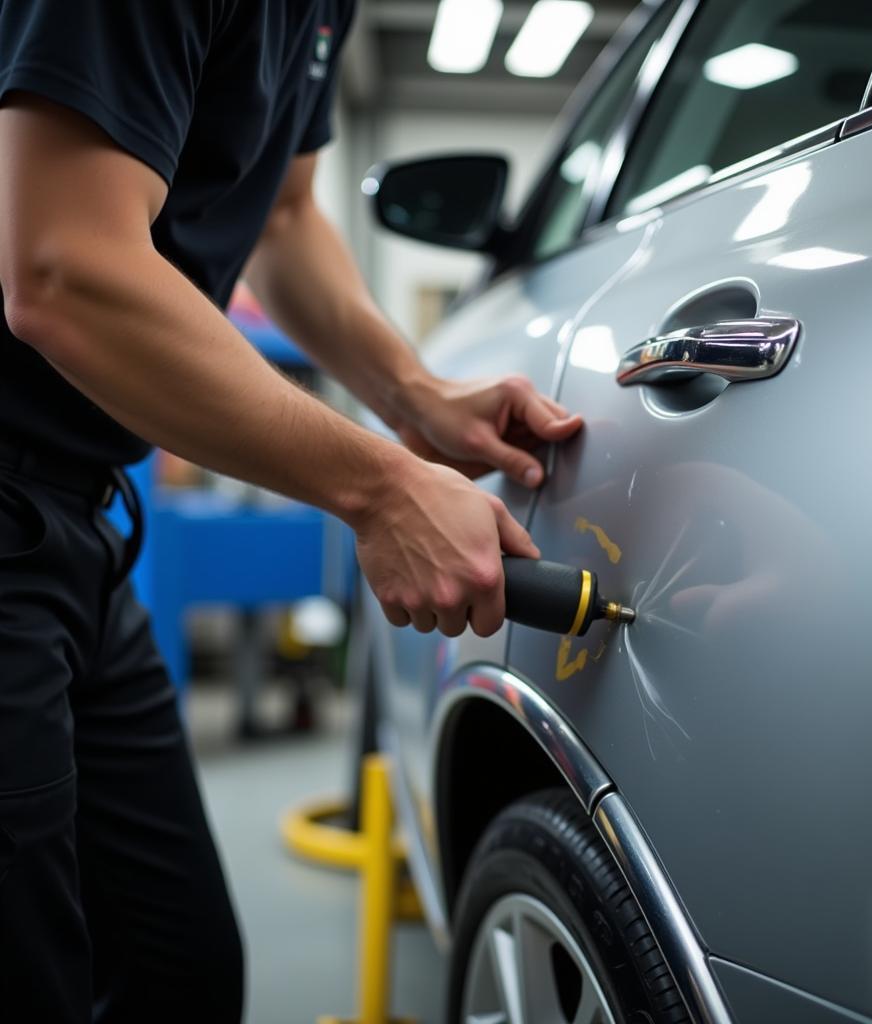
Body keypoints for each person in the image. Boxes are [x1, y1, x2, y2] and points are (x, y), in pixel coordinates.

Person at [0, 2, 582, 1020]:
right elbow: (62, 267)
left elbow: (283, 213)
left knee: (180, 973)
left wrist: (414, 394)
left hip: (79, 526)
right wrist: (378, 484)